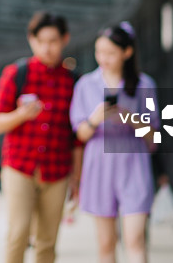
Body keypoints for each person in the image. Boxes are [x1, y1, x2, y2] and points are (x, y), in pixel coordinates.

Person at [0, 11, 82, 263]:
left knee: (47, 242)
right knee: (18, 234)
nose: (47, 47)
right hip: (20, 166)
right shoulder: (17, 73)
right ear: (32, 40)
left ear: (65, 39)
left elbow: (76, 137)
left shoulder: (73, 81)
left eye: (53, 41)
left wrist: (76, 177)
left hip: (57, 170)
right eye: (41, 41)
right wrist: (21, 114)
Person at [69, 22, 158, 263]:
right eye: (99, 52)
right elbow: (80, 134)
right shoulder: (86, 85)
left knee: (135, 239)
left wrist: (130, 118)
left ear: (126, 52)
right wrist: (95, 119)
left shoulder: (144, 85)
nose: (103, 58)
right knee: (106, 243)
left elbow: (155, 136)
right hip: (99, 164)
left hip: (134, 163)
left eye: (110, 53)